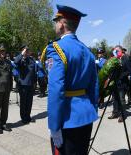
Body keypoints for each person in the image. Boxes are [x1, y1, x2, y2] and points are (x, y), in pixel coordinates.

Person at [41, 5, 98, 155]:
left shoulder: (56, 48)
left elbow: (56, 90)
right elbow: (94, 86)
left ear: (61, 23)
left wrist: (54, 126)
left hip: (67, 120)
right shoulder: (87, 51)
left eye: (56, 21)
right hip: (86, 116)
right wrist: (92, 110)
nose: (55, 24)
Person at [14, 45, 36, 124]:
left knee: (29, 102)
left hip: (31, 84)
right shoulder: (21, 59)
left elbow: (34, 72)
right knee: (23, 102)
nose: (27, 52)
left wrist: (34, 83)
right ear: (22, 51)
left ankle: (28, 116)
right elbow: (15, 62)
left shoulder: (31, 59)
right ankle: (23, 118)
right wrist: (22, 54)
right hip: (23, 85)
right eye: (25, 51)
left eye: (27, 50)